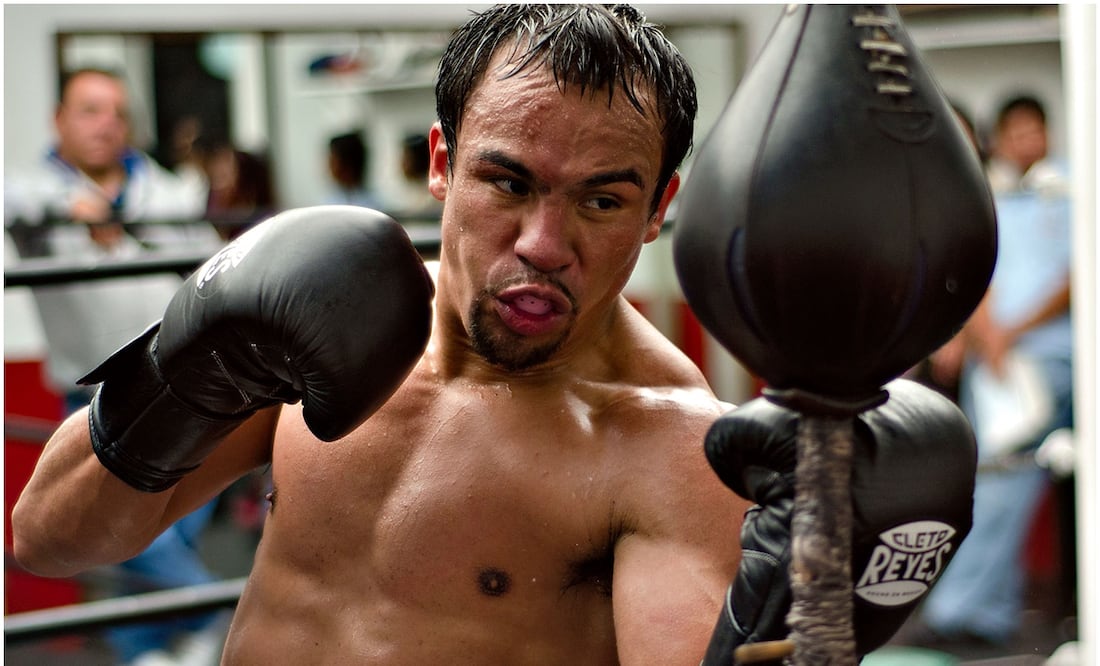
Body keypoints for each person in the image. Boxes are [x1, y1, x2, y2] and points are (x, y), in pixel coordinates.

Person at [12, 7, 972, 663]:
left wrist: (808, 619)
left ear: (658, 209)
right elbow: (46, 539)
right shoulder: (324, 324)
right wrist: (184, 377)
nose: (543, 245)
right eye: (508, 182)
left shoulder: (668, 447)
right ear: (442, 160)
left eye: (602, 200)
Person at [3, 67, 226, 666]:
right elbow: (14, 200)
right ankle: (219, 613)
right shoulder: (33, 195)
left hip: (183, 390)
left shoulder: (163, 191)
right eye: (90, 110)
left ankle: (151, 651)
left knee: (160, 530)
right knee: (117, 531)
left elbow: (213, 268)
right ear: (59, 120)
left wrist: (127, 229)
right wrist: (70, 207)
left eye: (116, 113)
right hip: (94, 399)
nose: (105, 125)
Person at [914, 95, 1074, 648]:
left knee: (1004, 474)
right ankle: (985, 612)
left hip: (1047, 357)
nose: (1026, 141)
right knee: (992, 476)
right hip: (998, 361)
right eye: (1016, 132)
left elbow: (1076, 274)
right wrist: (985, 336)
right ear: (1000, 140)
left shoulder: (1068, 190)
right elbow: (975, 271)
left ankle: (966, 611)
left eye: (1035, 130)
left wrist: (1010, 333)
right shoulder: (992, 197)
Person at [324, 131, 383, 209]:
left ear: (347, 164)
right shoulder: (329, 203)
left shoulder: (375, 205)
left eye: (332, 161)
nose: (329, 167)